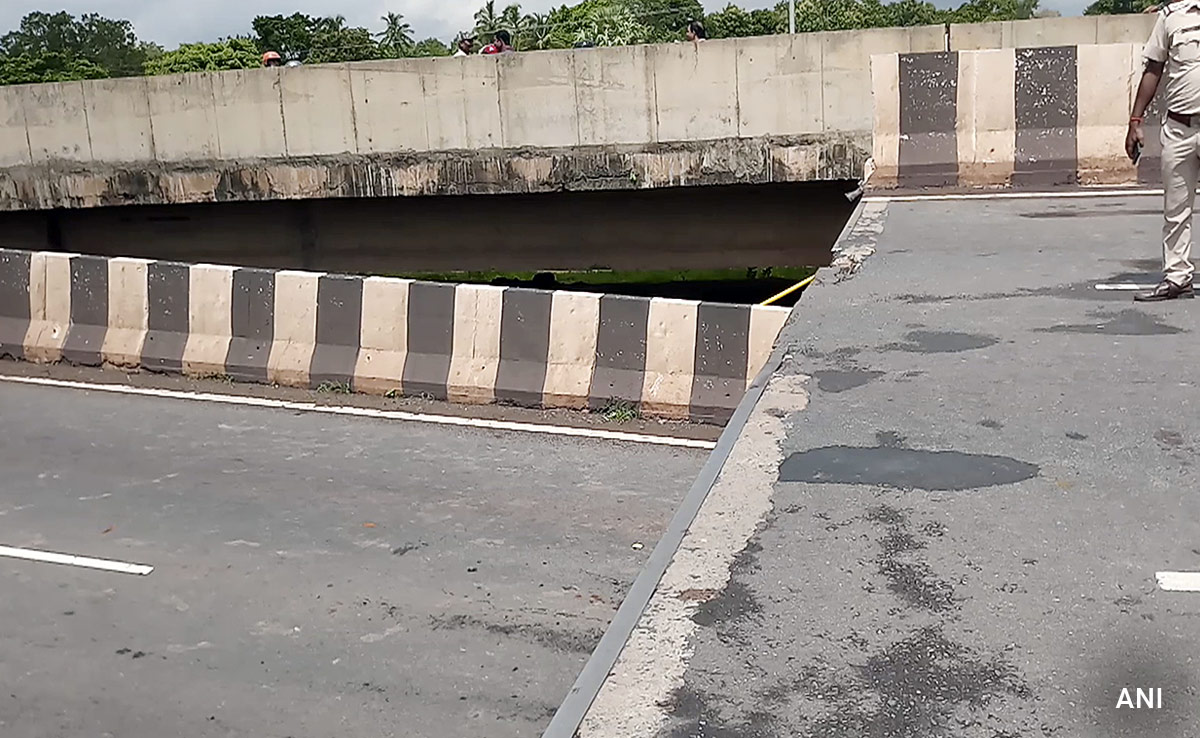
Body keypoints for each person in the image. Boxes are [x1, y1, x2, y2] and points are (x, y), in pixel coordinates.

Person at [1128, 1, 1200, 301]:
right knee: (1176, 209)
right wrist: (1135, 121)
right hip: (1179, 128)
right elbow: (1153, 68)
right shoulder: (1170, 17)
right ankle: (1177, 277)